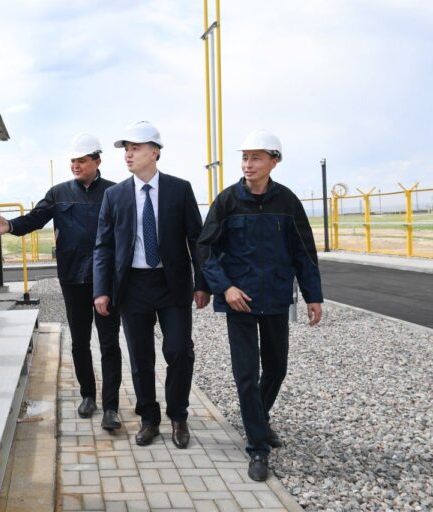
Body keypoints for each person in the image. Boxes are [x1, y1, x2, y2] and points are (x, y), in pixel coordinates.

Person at [197, 129, 323, 481]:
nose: (248, 164)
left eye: (256, 157)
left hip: (275, 297)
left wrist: (313, 295)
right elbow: (206, 250)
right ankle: (257, 447)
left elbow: (304, 252)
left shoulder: (287, 202)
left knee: (277, 367)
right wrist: (225, 288)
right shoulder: (227, 201)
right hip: (239, 301)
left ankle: (258, 418)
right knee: (246, 374)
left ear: (274, 161)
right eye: (244, 157)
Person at [0, 133, 124, 430]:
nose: (76, 165)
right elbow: (35, 219)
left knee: (109, 342)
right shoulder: (59, 193)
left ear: (97, 161)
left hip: (107, 280)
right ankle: (88, 396)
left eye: (82, 160)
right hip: (72, 277)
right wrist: (10, 225)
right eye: (73, 161)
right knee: (80, 341)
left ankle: (111, 407)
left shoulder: (115, 192)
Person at [93, 121, 210, 448]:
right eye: (126, 150)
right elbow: (103, 246)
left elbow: (197, 240)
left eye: (136, 149)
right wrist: (101, 290)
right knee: (141, 357)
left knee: (179, 351)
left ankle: (178, 416)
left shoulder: (179, 190)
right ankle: (149, 418)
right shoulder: (114, 195)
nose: (128, 155)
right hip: (133, 286)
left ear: (155, 152)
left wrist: (202, 283)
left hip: (172, 284)